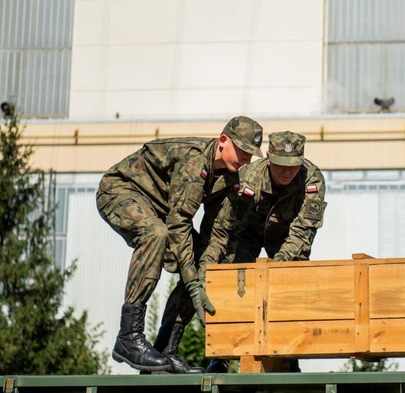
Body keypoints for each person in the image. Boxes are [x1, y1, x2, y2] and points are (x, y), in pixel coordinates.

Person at [96, 116, 264, 373]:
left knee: (199, 264)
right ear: (223, 141)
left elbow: (217, 233)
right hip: (121, 192)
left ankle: (165, 349)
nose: (246, 160)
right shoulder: (195, 161)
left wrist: (203, 274)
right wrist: (192, 282)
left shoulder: (232, 179)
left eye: (250, 155)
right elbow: (179, 223)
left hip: (161, 211)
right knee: (155, 234)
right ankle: (128, 337)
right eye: (242, 151)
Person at [205, 131, 327, 373]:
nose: (287, 172)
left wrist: (277, 265)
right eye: (281, 165)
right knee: (232, 279)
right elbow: (229, 223)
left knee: (291, 280)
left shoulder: (312, 180)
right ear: (269, 157)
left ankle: (289, 357)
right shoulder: (247, 176)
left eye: (293, 166)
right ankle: (222, 356)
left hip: (285, 237)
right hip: (247, 232)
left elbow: (302, 233)